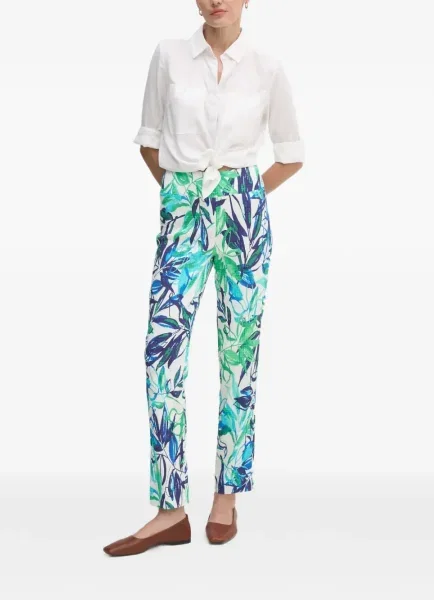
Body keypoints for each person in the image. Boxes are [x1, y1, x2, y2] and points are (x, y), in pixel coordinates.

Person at [103, 0, 304, 556]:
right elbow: (149, 141)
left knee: (238, 356)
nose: (217, 0)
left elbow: (291, 153)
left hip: (243, 213)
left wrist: (242, 196)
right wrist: (183, 193)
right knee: (162, 353)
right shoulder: (169, 56)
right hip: (184, 208)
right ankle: (170, 510)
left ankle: (226, 497)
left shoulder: (266, 66)